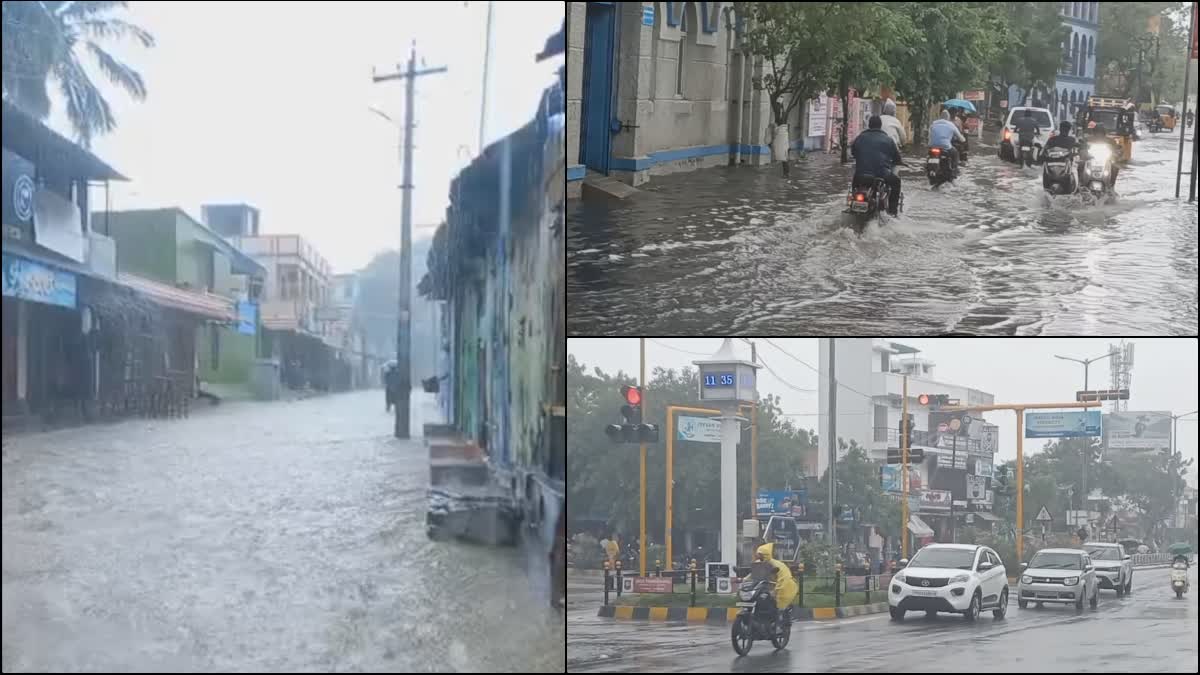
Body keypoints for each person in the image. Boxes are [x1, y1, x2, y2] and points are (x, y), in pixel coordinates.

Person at [850, 115, 903, 215]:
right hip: (881, 174)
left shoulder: (859, 138)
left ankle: (851, 202)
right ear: (880, 126)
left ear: (869, 125)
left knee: (854, 183)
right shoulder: (888, 140)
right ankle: (893, 212)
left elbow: (853, 153)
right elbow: (897, 158)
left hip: (860, 175)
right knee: (896, 182)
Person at [754, 542, 798, 621]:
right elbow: (753, 574)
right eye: (758, 554)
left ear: (765, 554)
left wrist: (776, 591)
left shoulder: (777, 565)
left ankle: (778, 623)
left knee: (778, 608)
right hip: (770, 588)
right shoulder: (759, 563)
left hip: (785, 588)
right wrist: (742, 580)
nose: (758, 556)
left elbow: (783, 579)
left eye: (760, 554)